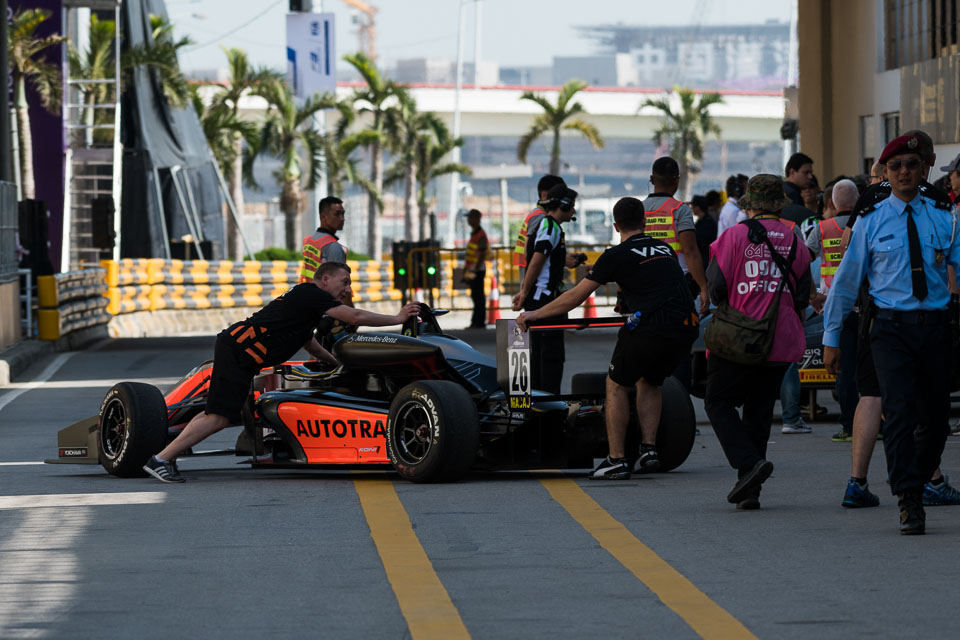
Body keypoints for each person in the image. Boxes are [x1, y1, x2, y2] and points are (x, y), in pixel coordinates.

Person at [143, 262, 421, 483]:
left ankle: (165, 455)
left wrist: (334, 364)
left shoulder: (308, 305)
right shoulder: (310, 293)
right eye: (343, 282)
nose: (347, 289)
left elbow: (306, 341)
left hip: (241, 355)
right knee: (218, 417)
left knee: (217, 413)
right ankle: (162, 459)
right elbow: (355, 317)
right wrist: (397, 319)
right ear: (324, 279)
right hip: (238, 352)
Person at [823, 133, 960, 534]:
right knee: (898, 412)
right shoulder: (869, 222)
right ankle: (909, 498)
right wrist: (832, 337)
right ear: (884, 172)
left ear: (923, 171)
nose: (904, 172)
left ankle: (915, 478)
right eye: (896, 166)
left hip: (935, 328)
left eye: (912, 165)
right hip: (889, 329)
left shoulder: (942, 216)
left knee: (936, 420)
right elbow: (846, 283)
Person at [515, 197, 698, 479]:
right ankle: (649, 449)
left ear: (615, 226)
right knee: (650, 380)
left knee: (615, 385)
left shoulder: (615, 255)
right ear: (645, 222)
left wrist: (534, 314)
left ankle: (617, 459)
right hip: (685, 326)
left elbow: (574, 298)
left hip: (650, 326)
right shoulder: (664, 248)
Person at [704, 174, 812, 510]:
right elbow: (802, 294)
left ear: (749, 204)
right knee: (759, 411)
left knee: (718, 402)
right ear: (779, 203)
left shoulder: (734, 236)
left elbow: (716, 288)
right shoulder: (795, 241)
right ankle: (749, 490)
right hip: (781, 338)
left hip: (739, 336)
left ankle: (748, 465)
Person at [511, 184, 583, 395]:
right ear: (565, 205)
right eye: (573, 206)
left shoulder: (546, 226)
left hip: (540, 297)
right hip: (546, 301)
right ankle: (549, 405)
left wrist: (526, 290)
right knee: (550, 356)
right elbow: (536, 262)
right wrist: (524, 292)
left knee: (540, 355)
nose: (575, 211)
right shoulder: (550, 227)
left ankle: (540, 403)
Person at [805, 179, 859, 441]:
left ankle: (849, 426)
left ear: (832, 203)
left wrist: (813, 294)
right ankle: (880, 424)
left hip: (833, 306)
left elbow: (802, 262)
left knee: (843, 367)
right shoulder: (865, 224)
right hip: (865, 303)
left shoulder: (822, 228)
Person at [643, 157, 709, 315]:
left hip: (644, 281)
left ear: (651, 179)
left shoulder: (638, 209)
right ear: (677, 180)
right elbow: (690, 251)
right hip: (675, 283)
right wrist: (703, 287)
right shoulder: (680, 209)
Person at [512, 174, 566, 276]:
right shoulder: (540, 217)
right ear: (544, 195)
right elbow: (531, 253)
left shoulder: (538, 214)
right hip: (531, 272)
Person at [300, 196, 347, 282]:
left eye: (343, 214)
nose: (342, 218)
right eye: (337, 214)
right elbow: (338, 286)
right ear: (323, 217)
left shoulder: (309, 241)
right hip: (324, 295)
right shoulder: (333, 246)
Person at [463, 209, 489, 329]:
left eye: (471, 217)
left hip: (477, 270)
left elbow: (482, 254)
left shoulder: (481, 235)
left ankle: (479, 322)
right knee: (476, 295)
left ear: (477, 219)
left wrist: (473, 270)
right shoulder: (475, 233)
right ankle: (476, 321)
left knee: (478, 296)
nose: (468, 220)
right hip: (474, 269)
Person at [692, 195, 716, 268]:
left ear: (698, 207)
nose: (692, 208)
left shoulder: (707, 223)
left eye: (693, 206)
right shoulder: (703, 221)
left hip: (705, 260)